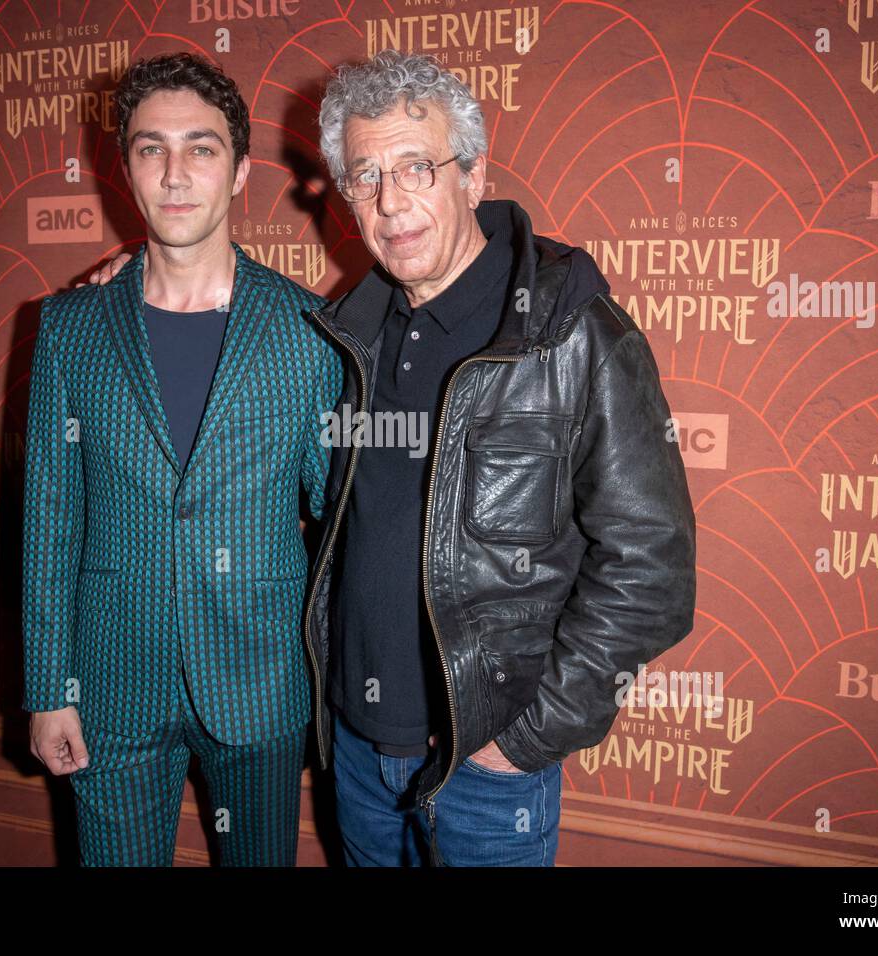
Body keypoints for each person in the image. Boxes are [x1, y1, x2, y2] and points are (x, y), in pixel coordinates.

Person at [89, 49, 697, 867]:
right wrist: (131, 287)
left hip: (486, 768)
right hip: (354, 752)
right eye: (365, 176)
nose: (391, 201)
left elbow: (652, 569)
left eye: (417, 167)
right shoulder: (348, 335)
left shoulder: (570, 333)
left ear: (473, 176)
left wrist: (522, 740)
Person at [22, 52, 341, 866]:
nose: (174, 173)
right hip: (110, 685)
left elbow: (342, 523)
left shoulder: (310, 331)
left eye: (201, 148)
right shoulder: (69, 329)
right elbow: (50, 520)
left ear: (239, 173)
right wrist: (48, 687)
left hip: (261, 683)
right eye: (150, 149)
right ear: (125, 170)